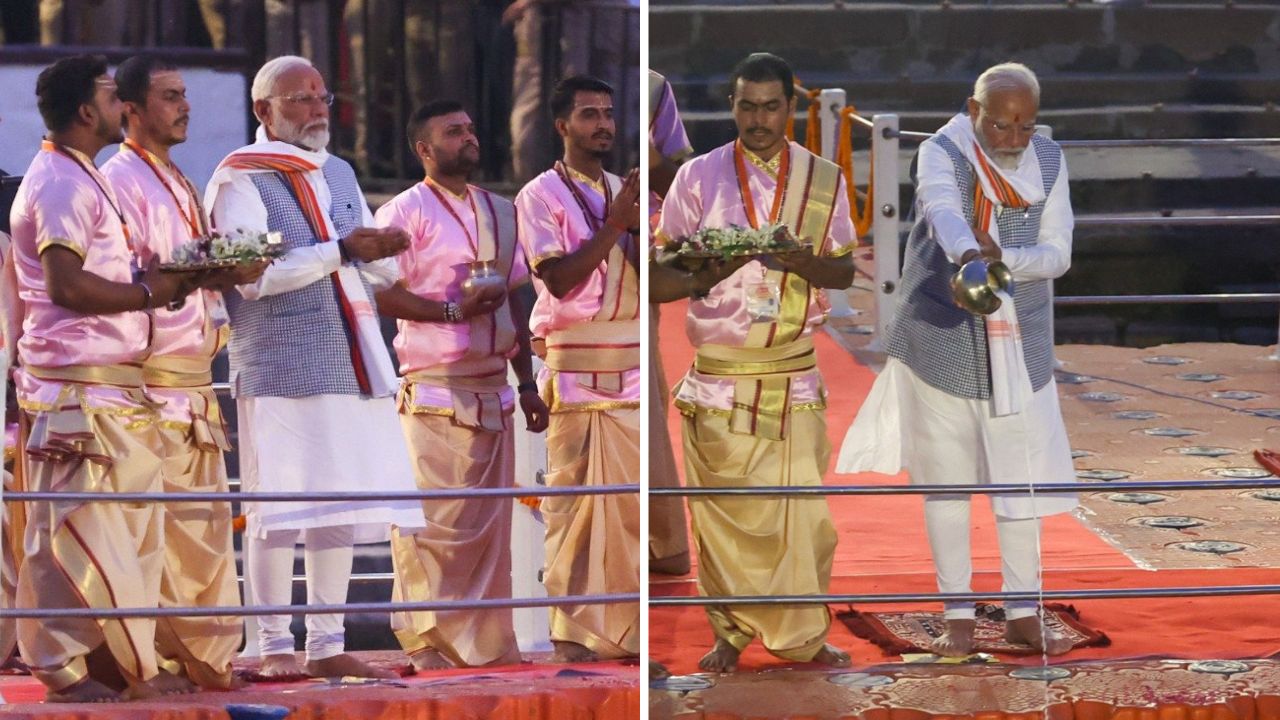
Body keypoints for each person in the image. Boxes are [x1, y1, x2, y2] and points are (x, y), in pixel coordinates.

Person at [836, 62, 1077, 657]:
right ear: (974, 112)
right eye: (1001, 126)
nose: (1014, 140)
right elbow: (942, 208)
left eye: (1025, 127)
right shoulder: (944, 150)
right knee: (946, 484)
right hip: (940, 338)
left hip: (1021, 343)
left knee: (1019, 482)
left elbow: (1059, 252)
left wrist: (1007, 259)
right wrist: (971, 255)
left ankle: (1023, 614)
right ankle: (959, 620)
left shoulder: (1050, 161)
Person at [204, 54, 423, 679]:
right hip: (280, 361)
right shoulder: (240, 179)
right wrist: (342, 251)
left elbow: (367, 259)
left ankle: (326, 644)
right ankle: (272, 646)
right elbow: (255, 278)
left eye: (322, 97)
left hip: (352, 355)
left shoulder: (341, 173)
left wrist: (387, 255)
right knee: (278, 508)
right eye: (299, 99)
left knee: (342, 504)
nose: (317, 109)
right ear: (262, 111)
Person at [653, 52, 855, 673]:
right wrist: (713, 268)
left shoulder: (824, 179)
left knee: (805, 520)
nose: (758, 119)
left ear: (791, 107)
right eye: (746, 105)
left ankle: (803, 635)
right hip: (719, 372)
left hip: (792, 371)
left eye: (771, 106)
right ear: (732, 106)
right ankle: (730, 632)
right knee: (719, 515)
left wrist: (796, 261)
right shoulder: (697, 177)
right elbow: (660, 278)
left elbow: (844, 269)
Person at [9, 54, 202, 702]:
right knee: (73, 533)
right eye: (114, 95)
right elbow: (64, 285)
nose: (126, 104)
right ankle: (64, 673)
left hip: (111, 386)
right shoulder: (60, 181)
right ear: (88, 111)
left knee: (121, 532)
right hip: (76, 388)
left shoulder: (81, 174)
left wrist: (166, 282)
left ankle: (117, 666)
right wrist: (149, 293)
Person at [102, 55, 260, 690]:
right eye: (170, 96)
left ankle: (205, 659)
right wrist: (199, 271)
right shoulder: (119, 180)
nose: (184, 106)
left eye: (185, 94)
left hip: (196, 383)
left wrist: (228, 267)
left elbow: (186, 269)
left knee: (203, 530)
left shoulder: (174, 177)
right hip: (151, 384)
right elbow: (132, 282)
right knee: (153, 535)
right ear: (130, 110)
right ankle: (149, 664)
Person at [373, 100, 548, 670]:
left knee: (489, 531)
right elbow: (380, 293)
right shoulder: (402, 213)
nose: (469, 138)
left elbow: (516, 297)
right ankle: (430, 646)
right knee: (434, 529)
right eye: (454, 132)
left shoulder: (501, 210)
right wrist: (453, 310)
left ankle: (489, 649)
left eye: (471, 128)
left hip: (496, 388)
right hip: (433, 391)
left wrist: (527, 383)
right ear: (425, 150)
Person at [514, 75, 640, 663]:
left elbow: (653, 273)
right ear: (562, 126)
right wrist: (616, 224)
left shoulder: (628, 188)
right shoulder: (538, 195)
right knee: (575, 509)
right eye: (589, 114)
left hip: (634, 361)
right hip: (573, 366)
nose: (604, 125)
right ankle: (575, 638)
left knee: (631, 508)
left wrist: (639, 228)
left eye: (609, 113)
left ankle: (634, 636)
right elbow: (559, 279)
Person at [646, 69, 694, 577]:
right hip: (575, 252)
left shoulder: (654, 85)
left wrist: (654, 161)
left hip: (640, 255)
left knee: (651, 398)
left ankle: (662, 540)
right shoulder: (562, 67)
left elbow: (683, 180)